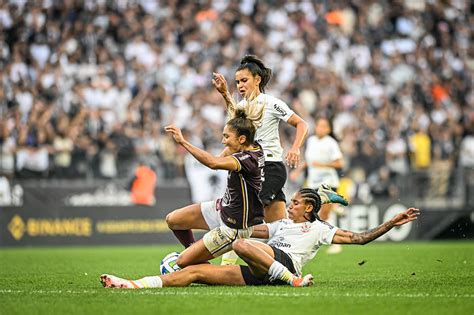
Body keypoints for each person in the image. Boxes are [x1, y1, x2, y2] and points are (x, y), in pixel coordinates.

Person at [100, 187, 420, 289]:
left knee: (240, 244)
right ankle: (131, 285)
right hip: (260, 271)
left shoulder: (322, 229)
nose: (288, 205)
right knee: (195, 272)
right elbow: (247, 232)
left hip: (283, 265)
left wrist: (392, 221)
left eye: (294, 202)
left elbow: (361, 238)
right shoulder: (280, 225)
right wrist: (215, 235)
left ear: (308, 207)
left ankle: (291, 280)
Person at [166, 55, 311, 265]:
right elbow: (235, 141)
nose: (240, 85)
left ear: (257, 79)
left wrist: (295, 148)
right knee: (281, 228)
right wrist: (225, 94)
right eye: (238, 82)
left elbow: (302, 124)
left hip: (268, 167)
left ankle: (227, 264)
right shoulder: (241, 108)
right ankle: (291, 257)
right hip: (248, 170)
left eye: (244, 80)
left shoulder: (271, 103)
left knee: (242, 219)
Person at [163, 107, 265, 268]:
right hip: (223, 208)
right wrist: (225, 94)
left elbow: (213, 163)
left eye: (226, 137)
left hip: (233, 226)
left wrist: (183, 142)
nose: (223, 141)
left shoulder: (248, 159)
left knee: (182, 261)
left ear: (242, 139)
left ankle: (204, 266)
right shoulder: (251, 145)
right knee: (173, 219)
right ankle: (199, 258)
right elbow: (219, 157)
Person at [290, 117, 345, 254]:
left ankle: (335, 243)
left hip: (328, 183)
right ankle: (336, 208)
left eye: (323, 126)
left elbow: (339, 163)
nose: (320, 128)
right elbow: (308, 161)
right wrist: (297, 171)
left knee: (325, 214)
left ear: (329, 129)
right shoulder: (311, 141)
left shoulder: (331, 143)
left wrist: (322, 165)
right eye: (319, 125)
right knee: (314, 214)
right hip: (314, 183)